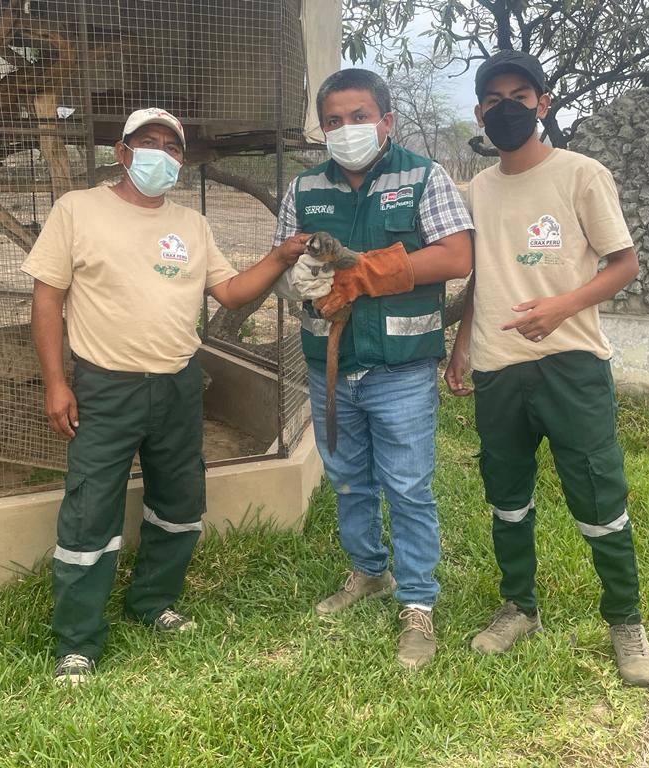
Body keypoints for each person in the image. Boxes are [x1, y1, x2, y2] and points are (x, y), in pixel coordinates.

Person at [23, 107, 308, 684]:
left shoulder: (192, 225)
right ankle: (77, 641)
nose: (162, 154)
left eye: (172, 147)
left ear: (182, 159)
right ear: (123, 152)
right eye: (148, 143)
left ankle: (152, 604)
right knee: (89, 511)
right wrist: (57, 382)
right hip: (106, 386)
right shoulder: (77, 210)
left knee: (179, 503)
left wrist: (279, 257)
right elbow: (47, 300)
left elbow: (229, 294)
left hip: (178, 384)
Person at [445, 50, 649, 686]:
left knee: (598, 493)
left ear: (543, 102)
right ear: (480, 111)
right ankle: (519, 607)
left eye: (520, 95)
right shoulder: (478, 188)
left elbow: (624, 263)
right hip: (497, 364)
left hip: (571, 361)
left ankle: (624, 619)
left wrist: (563, 306)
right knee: (506, 496)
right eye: (493, 99)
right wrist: (461, 344)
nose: (506, 108)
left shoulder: (581, 175)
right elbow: (483, 273)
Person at [275, 69, 473, 670]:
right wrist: (303, 284)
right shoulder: (304, 189)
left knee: (408, 487)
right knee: (347, 479)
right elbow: (287, 265)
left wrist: (366, 273)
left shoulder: (422, 175)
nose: (346, 130)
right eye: (333, 121)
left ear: (386, 120)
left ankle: (418, 603)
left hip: (401, 367)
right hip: (331, 366)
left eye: (359, 117)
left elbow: (456, 254)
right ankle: (369, 572)